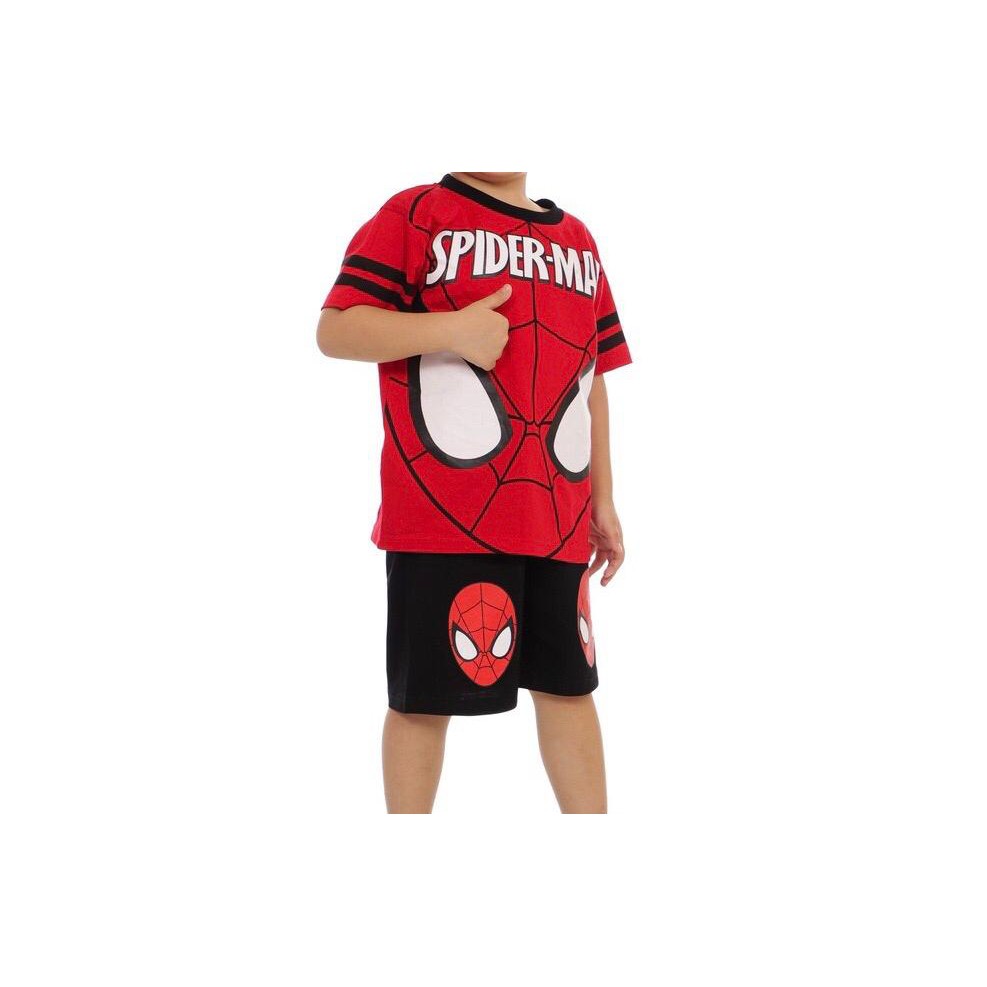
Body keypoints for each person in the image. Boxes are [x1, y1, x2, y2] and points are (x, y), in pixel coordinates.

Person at [316, 172, 632, 813]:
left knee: (571, 690)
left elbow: (591, 376)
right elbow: (337, 328)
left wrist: (603, 498)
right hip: (442, 515)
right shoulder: (416, 214)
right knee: (423, 700)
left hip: (556, 515)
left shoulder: (578, 240)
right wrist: (450, 330)